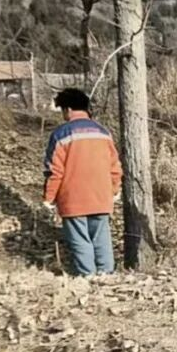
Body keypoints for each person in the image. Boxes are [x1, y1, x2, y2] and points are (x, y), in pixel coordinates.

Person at [43, 88, 123, 276]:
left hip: (73, 199)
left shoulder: (61, 134)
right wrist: (114, 189)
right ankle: (107, 276)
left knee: (80, 241)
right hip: (101, 196)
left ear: (68, 109)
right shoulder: (103, 133)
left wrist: (49, 198)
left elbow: (54, 171)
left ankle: (88, 277)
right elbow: (115, 166)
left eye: (62, 110)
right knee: (102, 239)